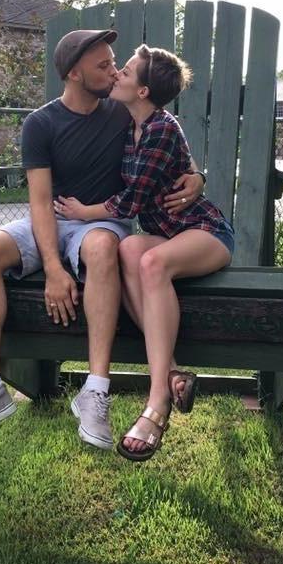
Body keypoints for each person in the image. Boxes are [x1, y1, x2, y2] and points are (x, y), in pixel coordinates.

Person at [0, 29, 207, 452]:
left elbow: (170, 144)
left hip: (100, 226)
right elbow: (40, 202)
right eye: (104, 66)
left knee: (100, 247)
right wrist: (54, 269)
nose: (114, 73)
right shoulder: (41, 124)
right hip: (52, 221)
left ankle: (95, 390)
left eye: (117, 64)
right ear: (74, 73)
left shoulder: (121, 111)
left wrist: (198, 176)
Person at [53, 44, 234, 461]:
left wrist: (83, 211)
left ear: (143, 91)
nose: (117, 74)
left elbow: (132, 202)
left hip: (204, 232)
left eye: (127, 72)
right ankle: (172, 373)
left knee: (150, 261)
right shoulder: (127, 121)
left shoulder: (160, 129)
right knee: (130, 248)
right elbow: (182, 166)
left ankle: (158, 404)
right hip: (165, 235)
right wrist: (196, 173)